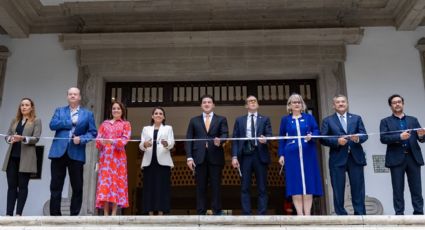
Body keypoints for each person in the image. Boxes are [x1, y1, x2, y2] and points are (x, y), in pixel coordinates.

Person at [48, 87, 97, 216]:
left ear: (80, 97)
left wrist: (81, 139)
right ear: (67, 97)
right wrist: (69, 122)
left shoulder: (88, 114)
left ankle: (73, 216)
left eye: (75, 94)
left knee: (77, 186)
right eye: (70, 94)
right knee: (55, 185)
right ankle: (55, 215)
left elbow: (93, 133)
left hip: (76, 153)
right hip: (58, 152)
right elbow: (52, 125)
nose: (73, 96)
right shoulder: (59, 111)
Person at [320, 94, 368, 215]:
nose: (341, 104)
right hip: (337, 159)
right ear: (333, 105)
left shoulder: (356, 118)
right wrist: (337, 141)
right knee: (338, 188)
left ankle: (360, 214)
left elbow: (364, 135)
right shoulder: (328, 120)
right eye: (338, 102)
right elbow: (322, 138)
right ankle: (341, 215)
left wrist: (357, 139)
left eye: (343, 102)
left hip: (355, 157)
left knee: (358, 187)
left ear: (347, 104)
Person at [278, 93, 323, 215]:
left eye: (298, 102)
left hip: (308, 153)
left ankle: (307, 214)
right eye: (294, 102)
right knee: (295, 183)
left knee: (308, 183)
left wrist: (312, 136)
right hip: (291, 155)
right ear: (290, 105)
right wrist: (281, 154)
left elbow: (316, 130)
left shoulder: (309, 118)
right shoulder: (285, 120)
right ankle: (300, 214)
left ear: (302, 104)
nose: (296, 104)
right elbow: (282, 137)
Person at [380, 94, 425, 215]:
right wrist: (399, 137)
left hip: (413, 157)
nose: (397, 104)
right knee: (398, 189)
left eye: (399, 102)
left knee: (417, 188)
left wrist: (421, 135)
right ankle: (399, 215)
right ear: (391, 106)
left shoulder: (413, 120)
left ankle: (419, 214)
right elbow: (383, 138)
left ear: (403, 104)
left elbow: (421, 138)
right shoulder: (385, 121)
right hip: (396, 159)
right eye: (394, 103)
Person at [185, 95, 229, 215]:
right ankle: (200, 211)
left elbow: (225, 134)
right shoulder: (194, 120)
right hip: (199, 157)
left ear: (213, 105)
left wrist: (221, 140)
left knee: (216, 185)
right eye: (204, 102)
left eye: (209, 102)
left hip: (216, 156)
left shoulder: (221, 119)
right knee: (200, 186)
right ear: (201, 105)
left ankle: (217, 210)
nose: (207, 104)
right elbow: (189, 139)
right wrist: (189, 157)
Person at [231, 95, 272, 215]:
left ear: (257, 104)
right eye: (250, 101)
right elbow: (235, 139)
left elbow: (270, 135)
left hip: (260, 155)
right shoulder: (240, 120)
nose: (253, 103)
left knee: (262, 187)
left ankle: (262, 214)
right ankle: (246, 214)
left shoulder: (265, 119)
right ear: (246, 105)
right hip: (245, 156)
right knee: (244, 186)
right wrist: (234, 156)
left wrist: (266, 139)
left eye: (254, 101)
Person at [2, 98, 42, 216]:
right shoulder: (15, 120)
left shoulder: (36, 120)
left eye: (26, 105)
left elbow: (36, 138)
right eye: (22, 105)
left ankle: (19, 213)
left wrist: (23, 138)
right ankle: (9, 214)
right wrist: (10, 139)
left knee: (23, 186)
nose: (24, 107)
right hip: (12, 157)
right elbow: (7, 135)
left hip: (26, 158)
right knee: (11, 186)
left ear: (31, 107)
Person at [95, 101, 131, 215]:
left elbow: (125, 139)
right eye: (114, 108)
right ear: (111, 110)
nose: (116, 110)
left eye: (118, 109)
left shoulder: (126, 124)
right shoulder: (104, 124)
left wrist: (112, 141)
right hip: (106, 157)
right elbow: (97, 141)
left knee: (116, 183)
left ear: (122, 111)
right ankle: (105, 212)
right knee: (105, 184)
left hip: (118, 158)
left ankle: (114, 212)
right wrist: (101, 141)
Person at [139, 107, 175, 215]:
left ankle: (161, 212)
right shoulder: (146, 129)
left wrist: (166, 144)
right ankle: (149, 212)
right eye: (156, 113)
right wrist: (144, 144)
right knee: (149, 187)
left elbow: (172, 143)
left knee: (162, 187)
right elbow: (141, 145)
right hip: (149, 161)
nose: (158, 115)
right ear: (152, 116)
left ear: (163, 117)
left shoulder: (168, 128)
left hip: (163, 162)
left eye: (160, 113)